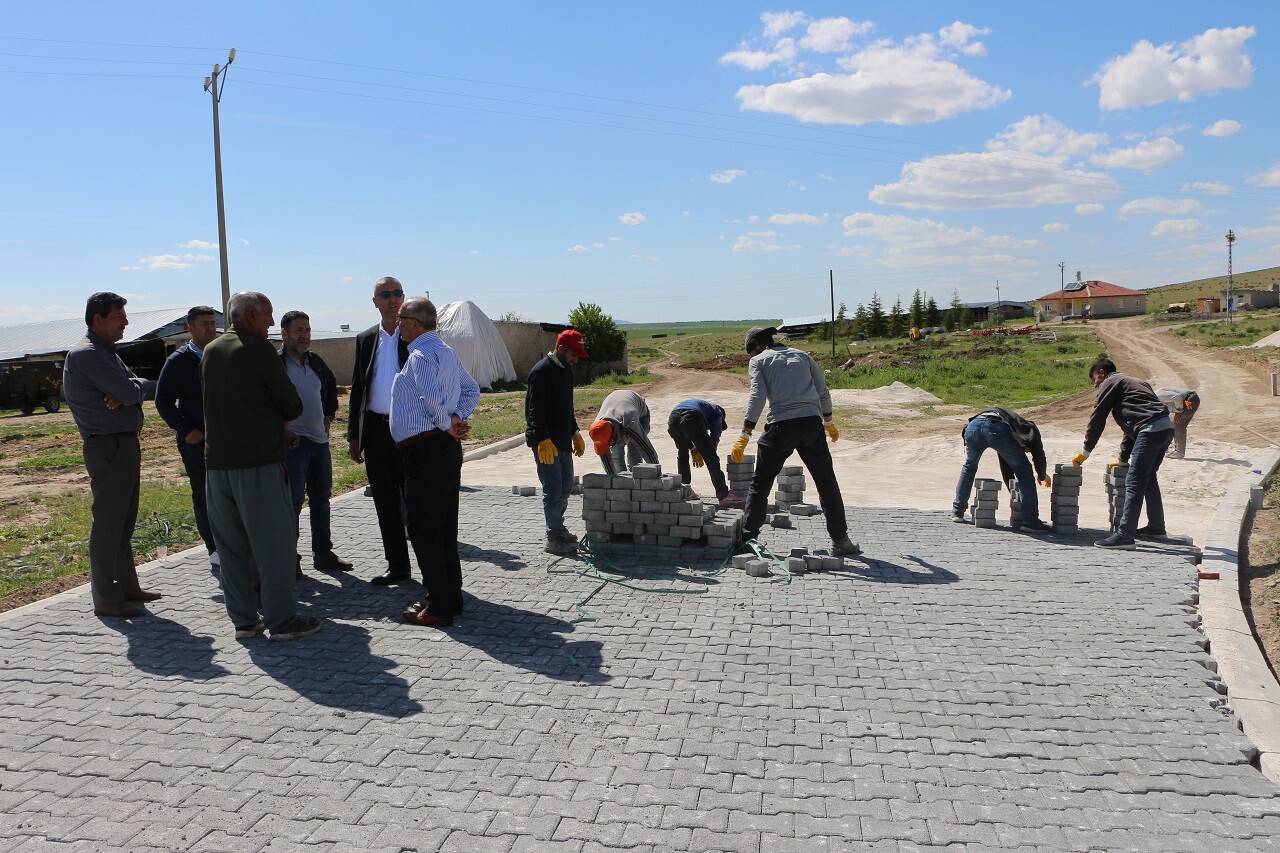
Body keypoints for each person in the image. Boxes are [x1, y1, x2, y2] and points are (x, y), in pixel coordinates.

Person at [202, 291, 321, 641]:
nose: (271, 322)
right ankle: (281, 620)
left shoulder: (211, 350)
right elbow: (291, 404)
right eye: (267, 315)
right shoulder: (259, 350)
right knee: (274, 546)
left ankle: (243, 621)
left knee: (231, 549)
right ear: (251, 315)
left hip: (217, 466)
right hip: (257, 464)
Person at [62, 293, 159, 617]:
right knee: (108, 524)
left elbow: (135, 387)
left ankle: (127, 588)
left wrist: (131, 389)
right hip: (108, 446)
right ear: (97, 319)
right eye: (119, 316)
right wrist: (130, 391)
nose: (126, 322)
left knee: (123, 521)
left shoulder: (105, 352)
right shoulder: (87, 354)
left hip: (121, 443)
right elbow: (130, 390)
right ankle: (105, 597)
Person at [730, 326, 860, 557]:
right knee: (826, 482)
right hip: (811, 425)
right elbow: (822, 390)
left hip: (781, 428)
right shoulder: (803, 355)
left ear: (757, 346)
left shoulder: (758, 361)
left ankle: (748, 540)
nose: (752, 355)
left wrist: (745, 432)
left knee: (760, 485)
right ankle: (841, 541)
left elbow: (757, 396)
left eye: (751, 351)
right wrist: (828, 421)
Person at [390, 298, 479, 628]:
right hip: (441, 448)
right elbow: (471, 390)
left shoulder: (420, 355)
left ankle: (440, 606)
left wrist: (448, 423)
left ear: (414, 323)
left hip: (426, 449)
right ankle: (449, 598)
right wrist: (457, 418)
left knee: (423, 528)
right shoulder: (446, 351)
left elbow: (429, 399)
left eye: (401, 318)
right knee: (442, 528)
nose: (397, 323)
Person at [348, 277, 412, 585]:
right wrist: (354, 434)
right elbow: (358, 387)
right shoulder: (366, 339)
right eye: (385, 295)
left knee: (415, 502)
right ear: (375, 302)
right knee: (385, 503)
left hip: (410, 430)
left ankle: (432, 570)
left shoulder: (415, 336)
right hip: (375, 431)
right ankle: (397, 567)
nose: (392, 299)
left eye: (397, 293)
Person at [1073, 357, 1175, 550]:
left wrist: (1086, 450)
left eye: (1095, 380)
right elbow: (1132, 427)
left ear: (1101, 373)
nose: (1096, 386)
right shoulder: (1136, 383)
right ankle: (1156, 528)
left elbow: (1098, 417)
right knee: (1148, 477)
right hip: (1165, 428)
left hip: (1150, 430)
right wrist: (1122, 458)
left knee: (1134, 480)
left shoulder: (1111, 381)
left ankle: (1125, 536)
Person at [280, 310, 352, 577]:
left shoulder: (315, 362)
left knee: (321, 500)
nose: (304, 336)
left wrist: (329, 416)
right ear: (284, 334)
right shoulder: (277, 364)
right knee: (293, 503)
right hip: (293, 445)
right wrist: (282, 429)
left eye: (307, 330)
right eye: (298, 330)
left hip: (319, 442)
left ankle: (323, 554)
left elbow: (331, 388)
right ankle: (289, 559)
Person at [156, 305, 220, 573]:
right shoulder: (178, 361)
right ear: (189, 328)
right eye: (204, 323)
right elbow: (163, 401)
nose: (210, 328)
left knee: (229, 493)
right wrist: (185, 430)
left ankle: (233, 543)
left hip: (226, 438)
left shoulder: (222, 355)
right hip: (196, 441)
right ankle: (214, 548)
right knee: (204, 494)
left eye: (212, 322)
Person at [525, 330, 589, 556]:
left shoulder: (566, 370)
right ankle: (553, 538)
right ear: (561, 349)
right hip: (545, 444)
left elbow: (567, 407)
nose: (576, 360)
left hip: (562, 441)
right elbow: (534, 411)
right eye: (573, 354)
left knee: (565, 487)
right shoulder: (541, 372)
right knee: (553, 490)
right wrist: (542, 438)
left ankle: (558, 528)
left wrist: (574, 431)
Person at [951, 408, 1052, 531]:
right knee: (1025, 471)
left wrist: (1014, 494)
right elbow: (1039, 455)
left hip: (973, 427)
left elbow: (1007, 470)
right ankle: (1030, 522)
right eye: (1026, 450)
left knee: (969, 466)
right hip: (996, 426)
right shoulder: (1031, 430)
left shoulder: (1012, 432)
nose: (1025, 452)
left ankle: (957, 512)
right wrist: (1042, 475)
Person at [667, 398, 741, 508]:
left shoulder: (704, 408)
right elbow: (714, 439)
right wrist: (705, 451)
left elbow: (688, 431)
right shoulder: (718, 412)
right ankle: (724, 496)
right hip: (691, 417)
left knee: (683, 454)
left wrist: (694, 449)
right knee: (712, 458)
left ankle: (686, 491)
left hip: (673, 421)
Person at [588, 389, 658, 475]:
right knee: (616, 455)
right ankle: (622, 478)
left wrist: (657, 473)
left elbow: (646, 449)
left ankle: (635, 478)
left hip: (640, 415)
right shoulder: (598, 429)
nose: (609, 446)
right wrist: (612, 479)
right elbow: (604, 455)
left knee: (634, 451)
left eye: (610, 443)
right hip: (618, 407)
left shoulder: (629, 423)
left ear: (613, 434)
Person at [1155, 387, 1200, 459]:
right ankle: (1168, 448)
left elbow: (1177, 397)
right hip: (1186, 401)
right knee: (1174, 425)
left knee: (1178, 426)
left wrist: (1179, 411)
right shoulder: (1156, 402)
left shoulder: (1158, 395)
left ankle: (1179, 452)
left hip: (1189, 401)